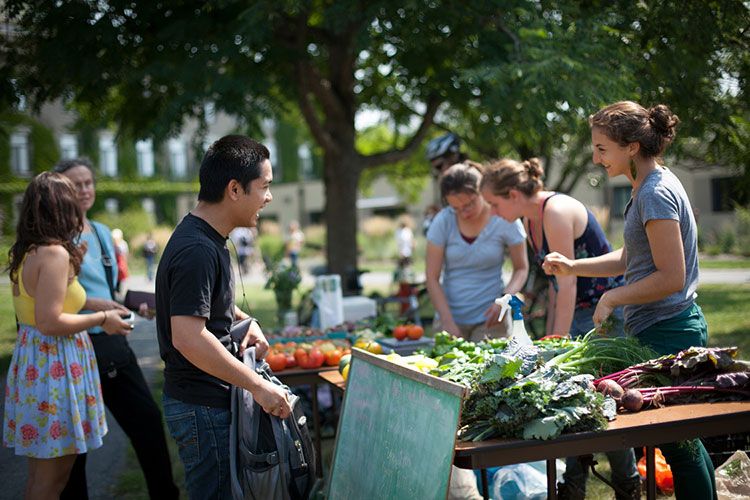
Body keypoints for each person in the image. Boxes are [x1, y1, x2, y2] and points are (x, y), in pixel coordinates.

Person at [543, 101, 717, 499]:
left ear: (632, 146)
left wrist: (613, 297)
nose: (595, 157)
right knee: (685, 443)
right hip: (662, 327)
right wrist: (573, 266)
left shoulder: (654, 193)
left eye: (602, 148)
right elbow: (629, 258)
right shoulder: (646, 186)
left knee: (679, 446)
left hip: (670, 330)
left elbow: (671, 278)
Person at [480, 157, 640, 499]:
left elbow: (567, 284)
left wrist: (559, 338)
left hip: (602, 313)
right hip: (579, 312)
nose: (492, 213)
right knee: (573, 403)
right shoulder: (529, 217)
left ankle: (627, 483)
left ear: (511, 194)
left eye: (494, 204)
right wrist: (553, 336)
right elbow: (555, 285)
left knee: (601, 402)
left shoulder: (554, 211)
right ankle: (574, 485)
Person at [155, 135, 292, 499]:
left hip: (207, 403)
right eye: (264, 186)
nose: (269, 197)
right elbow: (188, 336)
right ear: (234, 189)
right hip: (201, 407)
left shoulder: (206, 238)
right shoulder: (198, 248)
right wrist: (258, 386)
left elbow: (207, 302)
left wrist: (246, 318)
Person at [54, 158, 178, 500]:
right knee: (76, 447)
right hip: (74, 350)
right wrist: (99, 308)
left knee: (148, 423)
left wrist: (138, 303)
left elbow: (110, 292)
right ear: (57, 190)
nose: (83, 190)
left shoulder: (103, 233)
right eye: (73, 185)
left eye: (88, 183)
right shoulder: (52, 239)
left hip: (114, 348)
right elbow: (51, 304)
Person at [3, 172, 130, 498]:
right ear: (61, 210)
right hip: (54, 367)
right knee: (52, 480)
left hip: (36, 365)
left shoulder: (29, 250)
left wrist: (95, 302)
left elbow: (47, 301)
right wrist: (102, 319)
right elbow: (49, 321)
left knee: (40, 476)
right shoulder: (55, 254)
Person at [426, 162, 529, 341]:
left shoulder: (504, 217)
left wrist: (504, 300)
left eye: (469, 204)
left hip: (491, 321)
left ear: (481, 191)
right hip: (450, 320)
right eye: (456, 208)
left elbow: (521, 268)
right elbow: (432, 277)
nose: (464, 213)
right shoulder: (442, 222)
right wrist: (447, 321)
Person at [395, 215, 416, 279]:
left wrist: (413, 246)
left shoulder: (408, 230)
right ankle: (401, 277)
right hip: (402, 250)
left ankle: (408, 278)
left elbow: (411, 239)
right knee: (401, 265)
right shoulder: (398, 231)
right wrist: (400, 251)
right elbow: (399, 242)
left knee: (408, 265)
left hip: (408, 250)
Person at [111, 228, 129, 294]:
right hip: (115, 263)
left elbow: (125, 254)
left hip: (120, 263)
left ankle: (118, 290)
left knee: (121, 278)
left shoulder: (123, 244)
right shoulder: (112, 244)